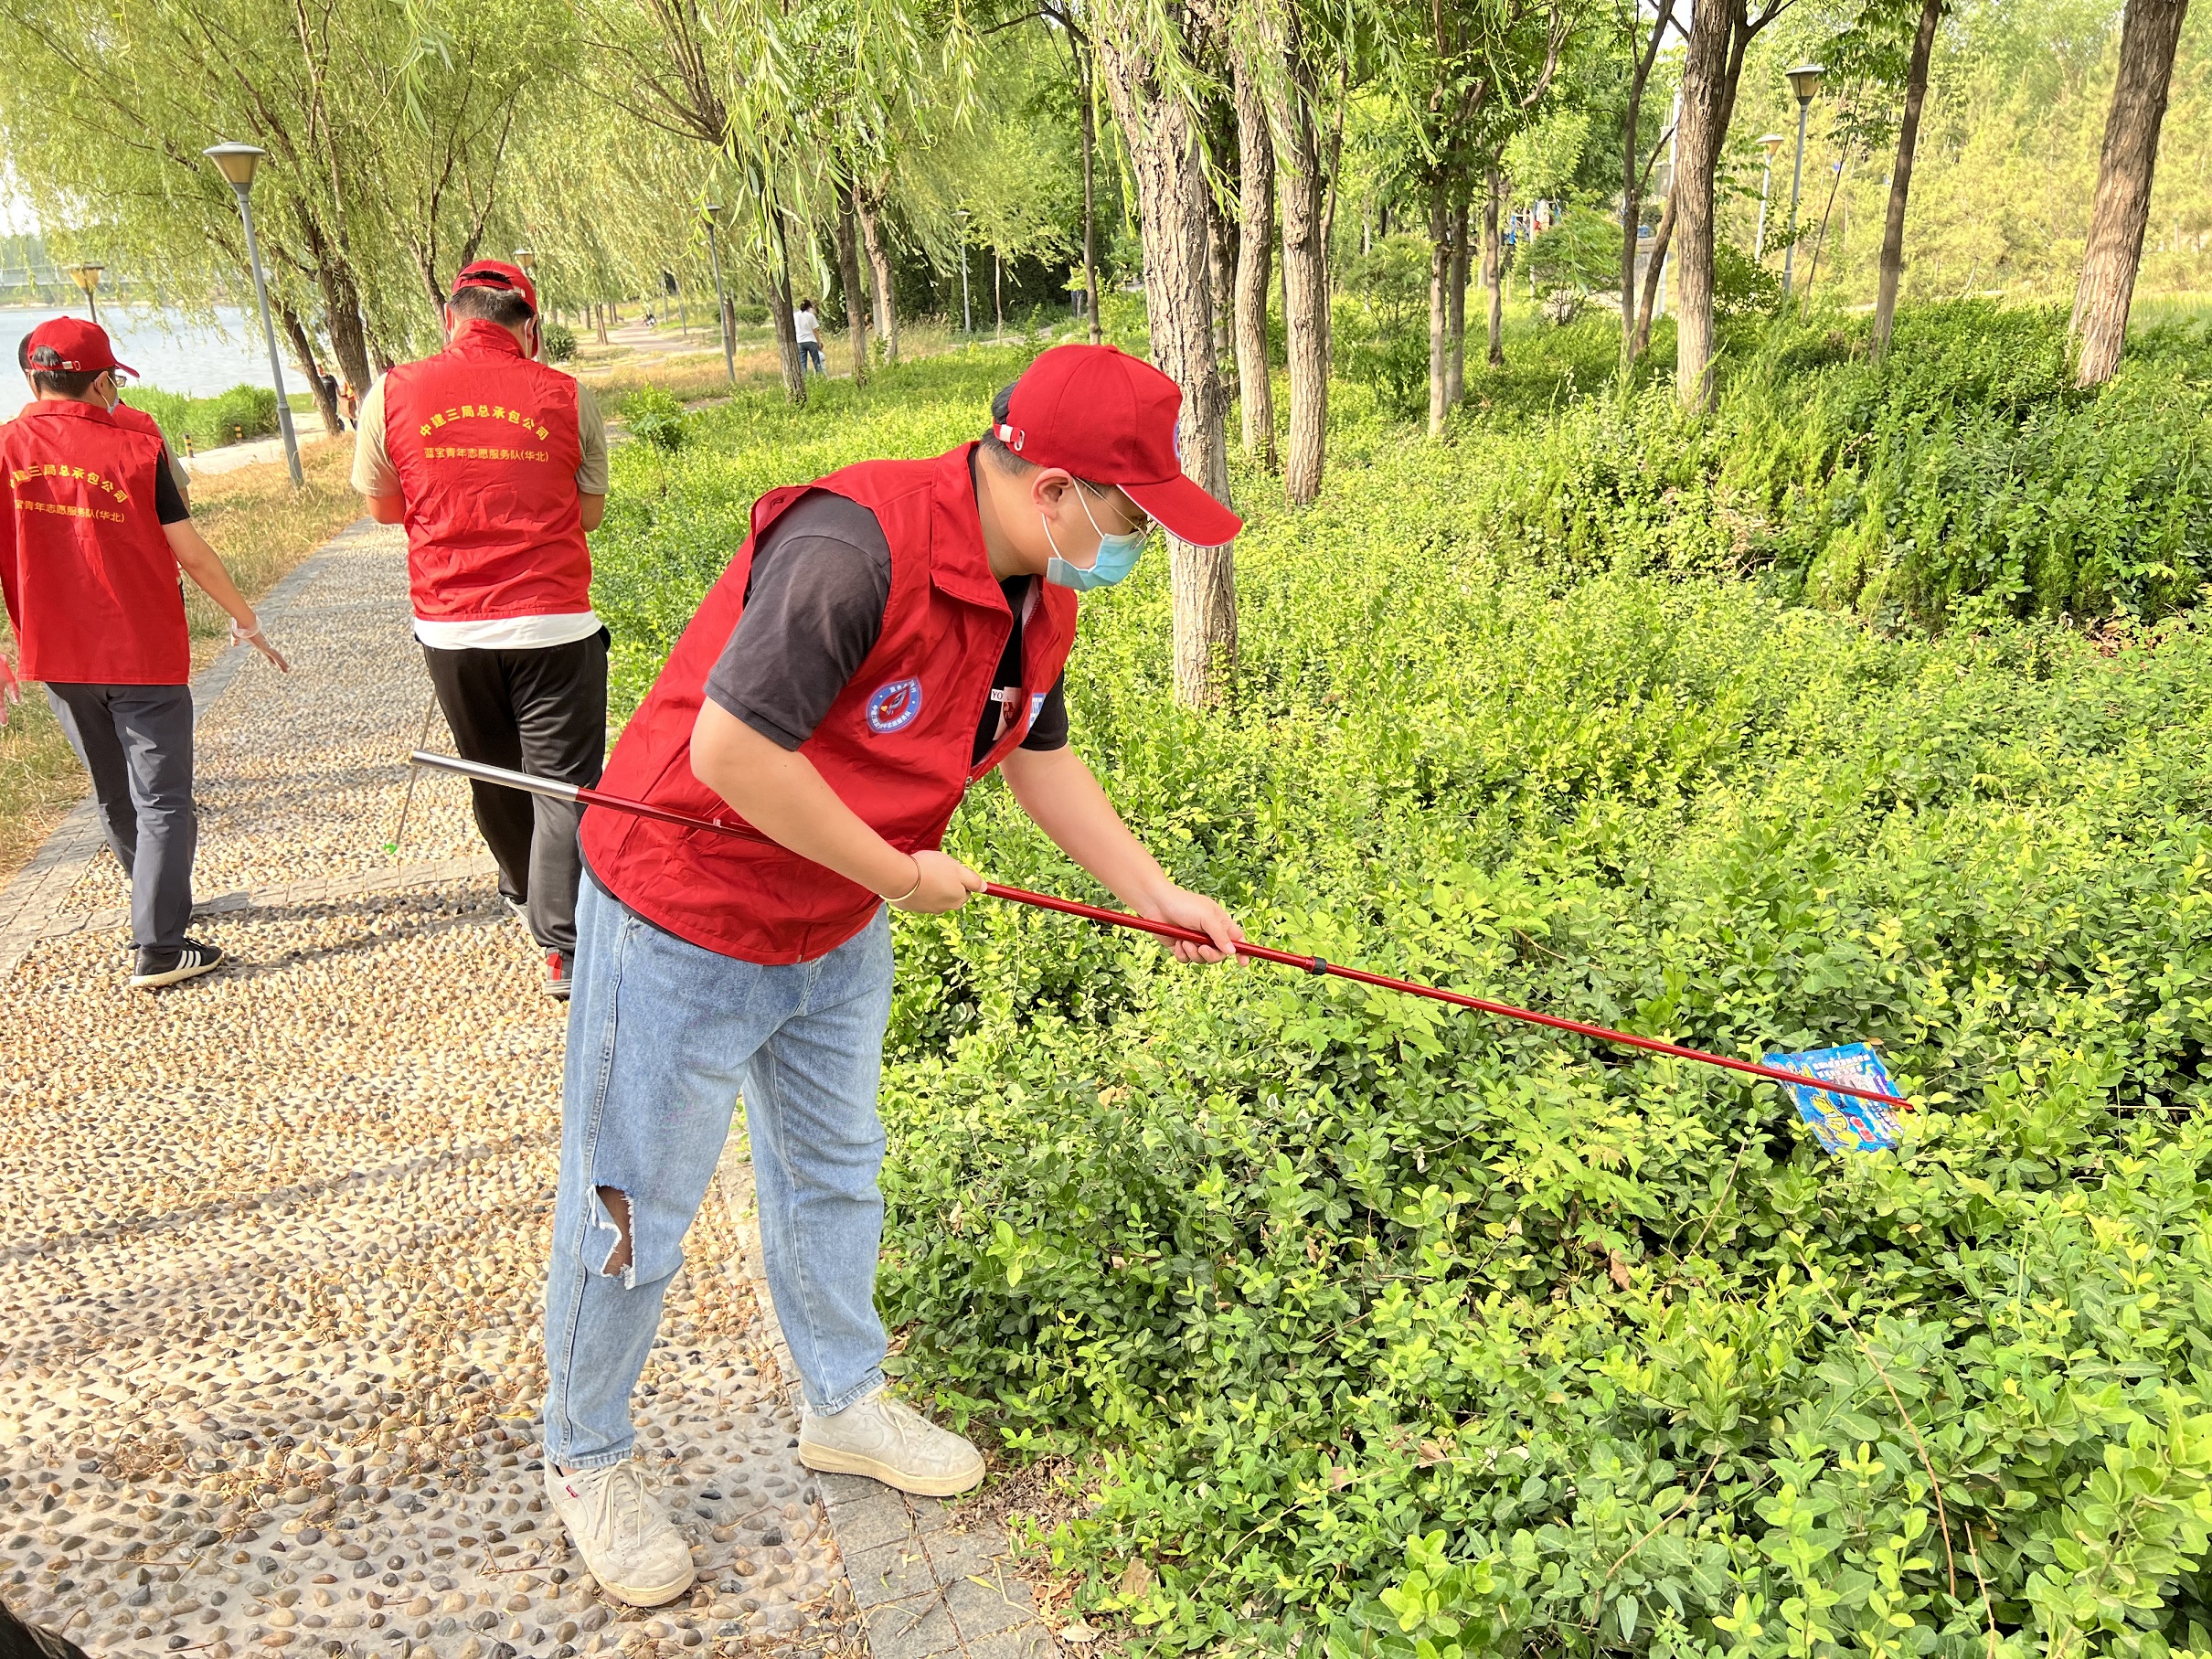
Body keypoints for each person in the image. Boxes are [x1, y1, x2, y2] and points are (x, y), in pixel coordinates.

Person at [538, 343, 1243, 1607]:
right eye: (1132, 514)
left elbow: (1036, 755)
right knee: (630, 1205)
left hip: (835, 918)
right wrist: (906, 873)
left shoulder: (1038, 582)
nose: (1139, 540)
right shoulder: (853, 549)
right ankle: (586, 1456)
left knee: (835, 1172)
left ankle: (844, 1398)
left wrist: (1155, 892)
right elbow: (735, 750)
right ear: (1054, 486)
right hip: (684, 913)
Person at [0, 317, 290, 989]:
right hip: (142, 652)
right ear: (101, 382)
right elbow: (189, 550)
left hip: (58, 657)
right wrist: (246, 621)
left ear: (34, 377)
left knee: (115, 794)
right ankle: (159, 945)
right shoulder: (136, 449)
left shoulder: (6, 449)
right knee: (164, 798)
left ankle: (153, 901)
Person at [353, 259, 611, 998]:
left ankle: (525, 887)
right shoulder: (567, 394)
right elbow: (587, 513)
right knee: (562, 784)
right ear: (528, 326)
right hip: (555, 623)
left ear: (451, 319)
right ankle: (562, 948)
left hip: (453, 626)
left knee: (493, 770)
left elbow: (379, 506)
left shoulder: (393, 393)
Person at [792, 300, 824, 377]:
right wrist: (819, 342)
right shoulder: (811, 316)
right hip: (811, 340)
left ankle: (804, 379)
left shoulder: (795, 315)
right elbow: (815, 330)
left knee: (803, 362)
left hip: (800, 341)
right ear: (809, 307)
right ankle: (820, 377)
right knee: (816, 361)